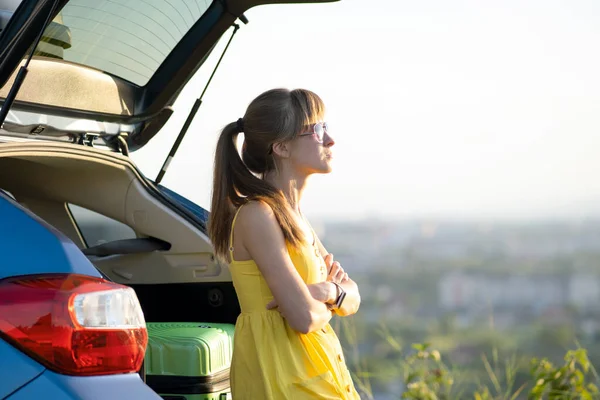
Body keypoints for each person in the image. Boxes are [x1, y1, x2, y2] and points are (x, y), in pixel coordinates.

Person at [208, 88, 362, 399]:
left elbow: (354, 297)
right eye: (317, 130)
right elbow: (304, 318)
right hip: (281, 375)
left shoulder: (295, 217)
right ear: (281, 147)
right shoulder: (258, 215)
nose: (330, 140)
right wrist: (331, 299)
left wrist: (327, 291)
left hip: (314, 370)